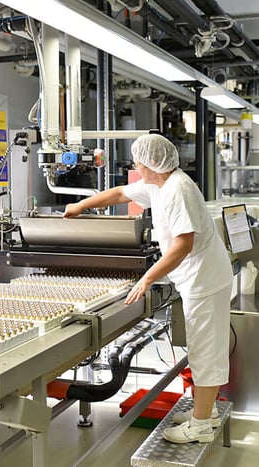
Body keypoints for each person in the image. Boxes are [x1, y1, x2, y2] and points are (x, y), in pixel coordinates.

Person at [63, 133, 233, 444]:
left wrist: (148, 278)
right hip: (196, 277)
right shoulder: (158, 183)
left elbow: (183, 245)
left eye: (138, 161)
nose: (135, 165)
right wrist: (79, 206)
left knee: (206, 352)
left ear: (150, 163)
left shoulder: (178, 190)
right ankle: (203, 411)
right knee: (200, 350)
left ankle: (200, 426)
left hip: (205, 279)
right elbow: (118, 194)